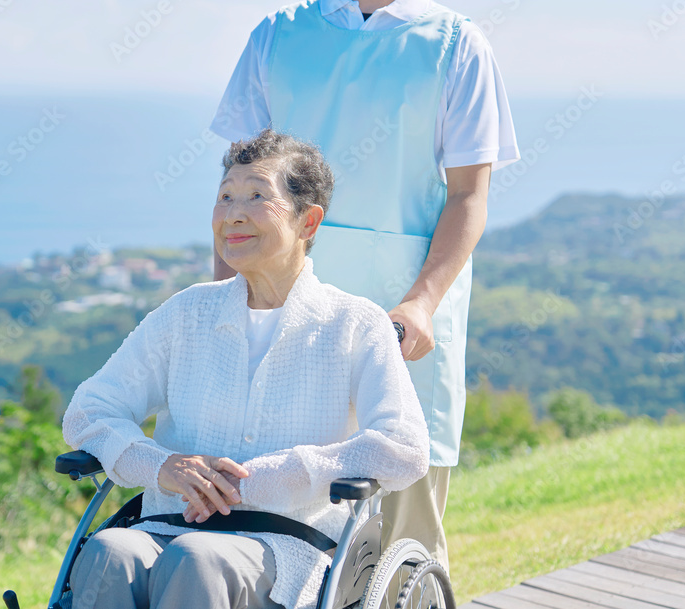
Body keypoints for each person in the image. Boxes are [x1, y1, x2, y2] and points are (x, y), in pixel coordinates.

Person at [208, 0, 521, 571]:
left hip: (404, 325)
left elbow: (469, 196)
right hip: (281, 317)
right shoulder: (277, 38)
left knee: (403, 546)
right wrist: (225, 307)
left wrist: (422, 302)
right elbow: (238, 195)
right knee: (274, 529)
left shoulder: (455, 45)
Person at [61, 129, 429, 609]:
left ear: (308, 222)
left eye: (257, 196)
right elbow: (87, 412)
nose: (233, 213)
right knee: (110, 550)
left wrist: (282, 475)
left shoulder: (355, 324)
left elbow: (404, 448)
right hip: (166, 526)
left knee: (197, 559)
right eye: (224, 197)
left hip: (288, 541)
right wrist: (164, 467)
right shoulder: (186, 313)